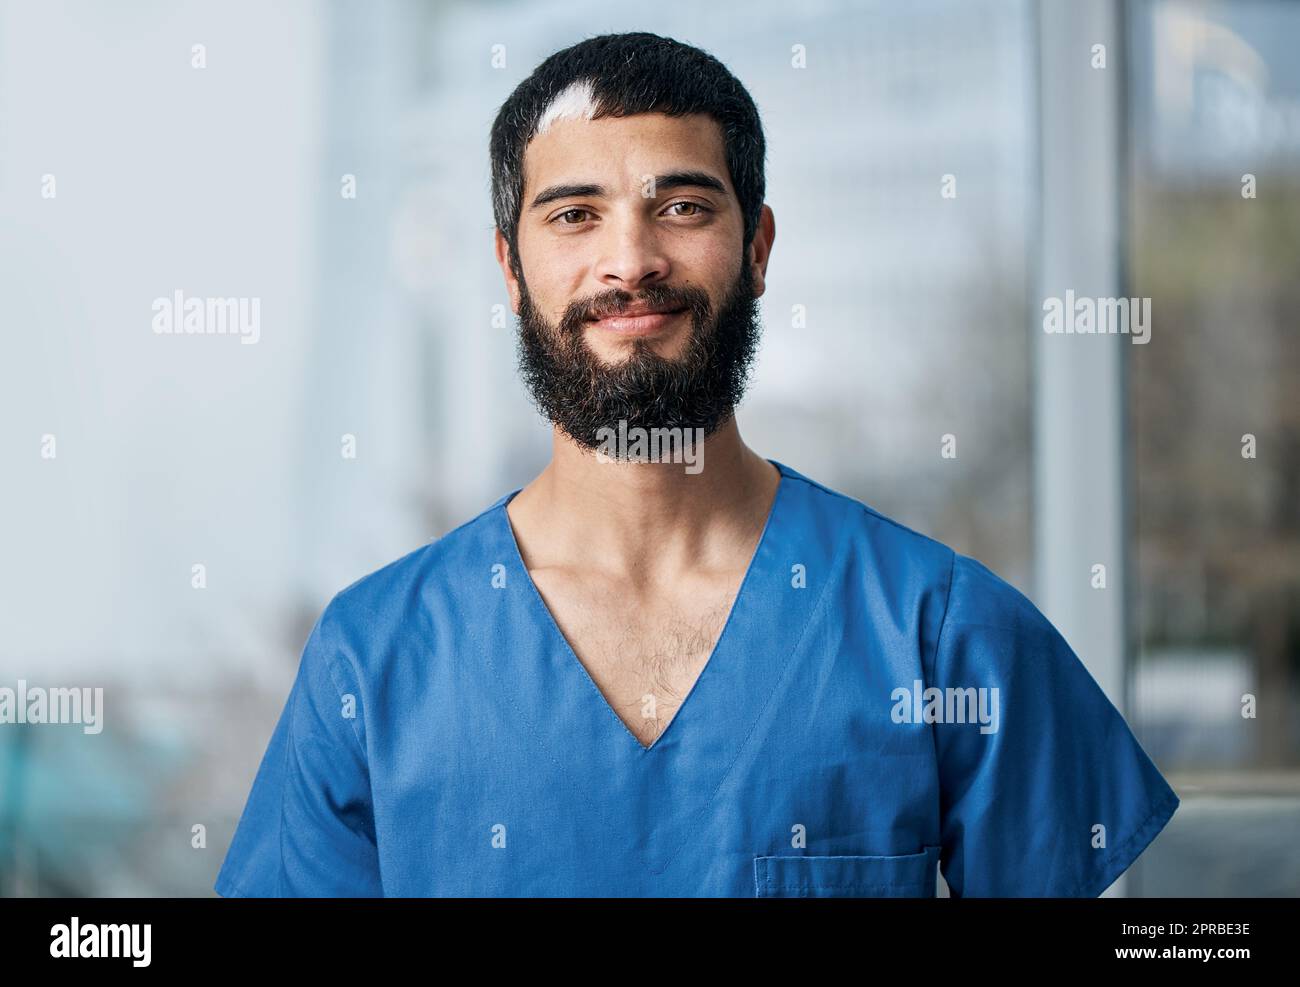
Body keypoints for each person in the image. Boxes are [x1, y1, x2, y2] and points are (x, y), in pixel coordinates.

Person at [214, 31, 1178, 898]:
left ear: (757, 248)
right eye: (573, 216)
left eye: (679, 205)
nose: (629, 261)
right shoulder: (374, 659)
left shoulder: (940, 631)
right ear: (509, 269)